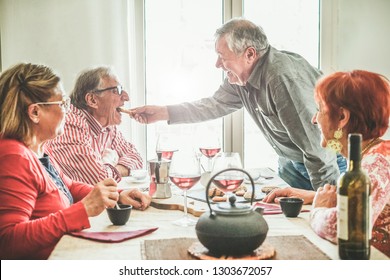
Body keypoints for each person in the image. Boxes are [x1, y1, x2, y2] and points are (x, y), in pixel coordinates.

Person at [130, 18, 345, 191]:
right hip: (290, 162)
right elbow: (213, 105)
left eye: (222, 57)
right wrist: (162, 112)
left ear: (249, 54)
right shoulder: (241, 78)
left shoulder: (281, 78)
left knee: (318, 232)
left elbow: (318, 149)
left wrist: (327, 203)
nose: (217, 65)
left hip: (323, 166)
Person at [0, 63, 148, 259]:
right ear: (35, 113)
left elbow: (68, 186)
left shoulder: (37, 149)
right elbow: (8, 241)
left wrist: (117, 195)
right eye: (63, 104)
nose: (68, 111)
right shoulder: (14, 156)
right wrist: (83, 210)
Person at [263, 70, 390, 257]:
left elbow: (342, 227)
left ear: (342, 118)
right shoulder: (373, 155)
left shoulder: (377, 162)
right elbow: (363, 204)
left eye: (320, 109)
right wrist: (313, 195)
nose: (314, 119)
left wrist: (319, 208)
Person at [44, 66, 144, 187]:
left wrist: (108, 166)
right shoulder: (71, 124)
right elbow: (100, 180)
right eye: (116, 90)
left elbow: (136, 158)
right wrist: (113, 162)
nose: (126, 97)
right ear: (92, 100)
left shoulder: (107, 124)